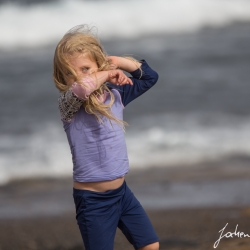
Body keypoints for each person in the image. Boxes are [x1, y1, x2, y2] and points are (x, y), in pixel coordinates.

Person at [53, 25, 160, 250]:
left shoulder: (115, 95)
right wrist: (107, 74)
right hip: (92, 201)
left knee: (150, 245)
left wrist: (118, 62)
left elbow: (150, 77)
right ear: (61, 77)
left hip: (122, 194)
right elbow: (82, 89)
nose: (78, 77)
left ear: (98, 65)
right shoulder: (68, 106)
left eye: (85, 68)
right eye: (70, 74)